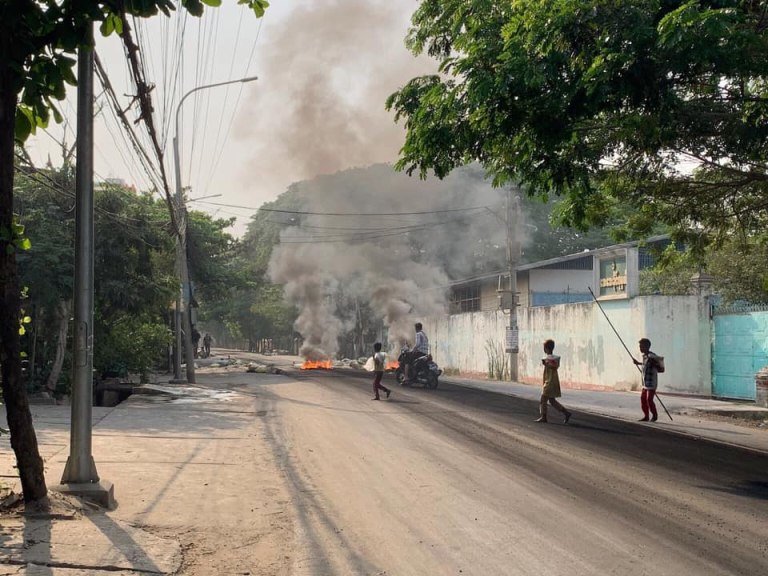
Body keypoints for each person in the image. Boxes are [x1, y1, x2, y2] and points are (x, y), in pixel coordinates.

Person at [535, 339, 572, 424]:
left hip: (550, 381)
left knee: (543, 398)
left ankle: (543, 417)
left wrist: (547, 364)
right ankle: (566, 413)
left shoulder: (555, 358)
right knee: (552, 400)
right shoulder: (547, 358)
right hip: (550, 381)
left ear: (546, 348)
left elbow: (555, 366)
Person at [633, 338, 664, 422]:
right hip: (645, 382)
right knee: (643, 399)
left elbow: (661, 368)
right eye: (640, 347)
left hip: (651, 383)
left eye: (642, 346)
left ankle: (654, 415)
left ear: (647, 346)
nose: (640, 348)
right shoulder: (645, 357)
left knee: (649, 399)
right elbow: (645, 365)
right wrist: (638, 363)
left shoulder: (652, 356)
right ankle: (646, 416)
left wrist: (656, 365)